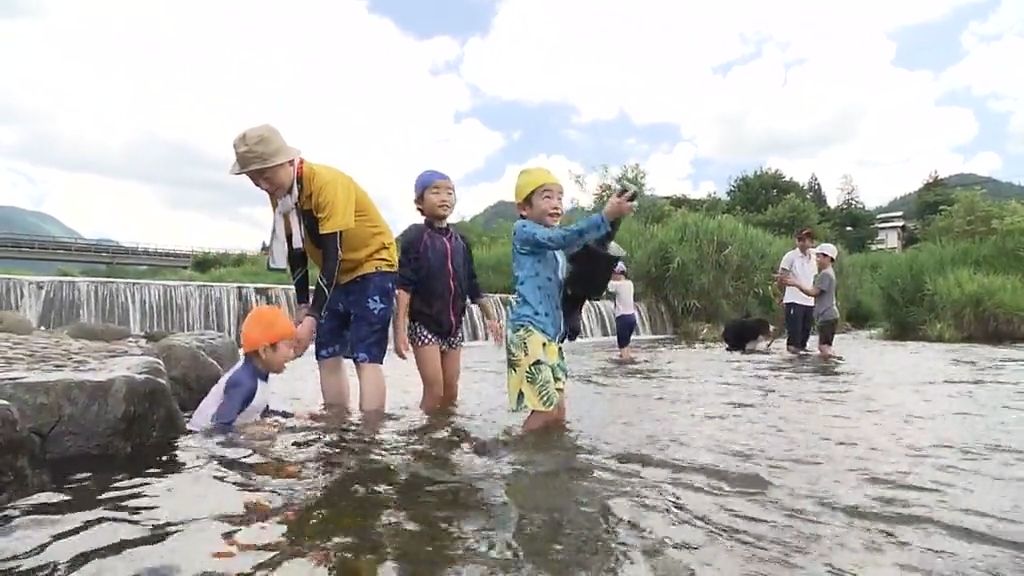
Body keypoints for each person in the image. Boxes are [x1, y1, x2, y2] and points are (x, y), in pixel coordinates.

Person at [230, 124, 398, 420]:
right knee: (327, 350)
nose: (262, 184)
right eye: (253, 178)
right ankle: (336, 423)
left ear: (284, 161)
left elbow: (334, 255)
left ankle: (370, 434)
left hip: (373, 264)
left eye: (265, 175)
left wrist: (312, 318)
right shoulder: (280, 193)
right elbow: (297, 250)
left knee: (364, 353)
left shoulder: (327, 184)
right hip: (335, 275)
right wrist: (303, 306)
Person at [505, 167, 635, 432]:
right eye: (546, 197)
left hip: (551, 334)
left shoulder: (558, 252)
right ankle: (514, 457)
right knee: (545, 410)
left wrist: (615, 219)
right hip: (528, 331)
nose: (556, 204)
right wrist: (605, 214)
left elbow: (589, 249)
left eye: (560, 198)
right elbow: (563, 237)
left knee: (559, 412)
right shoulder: (524, 231)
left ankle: (550, 465)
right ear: (524, 208)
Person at [393, 169, 503, 413]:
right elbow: (404, 287)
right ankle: (426, 440)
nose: (444, 197)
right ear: (419, 202)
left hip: (453, 325)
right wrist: (399, 330)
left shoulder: (461, 240)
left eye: (449, 192)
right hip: (424, 323)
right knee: (435, 390)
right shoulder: (416, 236)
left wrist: (491, 317)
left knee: (451, 391)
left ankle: (447, 442)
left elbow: (473, 285)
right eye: (436, 191)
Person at [187, 305, 298, 433]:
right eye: (288, 347)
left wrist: (293, 416)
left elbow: (257, 410)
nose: (292, 354)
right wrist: (247, 431)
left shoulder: (260, 376)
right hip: (201, 440)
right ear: (264, 350)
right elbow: (217, 427)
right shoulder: (244, 382)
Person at [780, 243, 841, 360]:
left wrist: (796, 283)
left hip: (827, 315)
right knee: (825, 346)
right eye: (816, 257)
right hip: (828, 315)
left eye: (819, 257)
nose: (817, 260)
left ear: (828, 258)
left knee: (824, 347)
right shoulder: (828, 273)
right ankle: (829, 367)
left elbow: (813, 292)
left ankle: (831, 367)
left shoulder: (825, 275)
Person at [777, 228, 817, 354]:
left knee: (805, 335)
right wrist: (782, 296)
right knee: (794, 335)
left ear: (811, 241)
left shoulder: (815, 256)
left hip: (809, 300)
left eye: (805, 240)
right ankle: (792, 365)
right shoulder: (790, 257)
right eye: (799, 240)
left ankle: (802, 365)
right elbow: (781, 278)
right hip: (793, 300)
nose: (802, 243)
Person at [607, 261, 637, 361]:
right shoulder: (630, 284)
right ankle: (628, 359)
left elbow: (607, 286)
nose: (612, 276)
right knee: (626, 344)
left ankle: (625, 369)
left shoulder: (617, 285)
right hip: (632, 318)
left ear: (618, 274)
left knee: (622, 346)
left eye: (613, 274)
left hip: (622, 318)